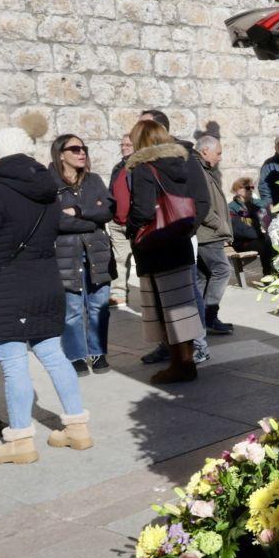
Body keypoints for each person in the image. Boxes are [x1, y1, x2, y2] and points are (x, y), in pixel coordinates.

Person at [0, 127, 93, 464]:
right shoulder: (48, 190)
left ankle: (20, 441)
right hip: (47, 281)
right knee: (53, 354)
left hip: (8, 287)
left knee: (12, 363)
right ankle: (77, 428)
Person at [115, 119, 206, 383]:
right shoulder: (183, 163)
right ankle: (187, 360)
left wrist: (132, 227)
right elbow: (199, 201)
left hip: (156, 245)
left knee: (167, 310)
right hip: (179, 242)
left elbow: (143, 211)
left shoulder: (144, 168)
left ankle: (180, 365)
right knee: (182, 307)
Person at [135, 109, 211, 366]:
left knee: (185, 298)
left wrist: (183, 230)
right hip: (173, 236)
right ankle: (172, 349)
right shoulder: (148, 163)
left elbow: (202, 199)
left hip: (175, 236)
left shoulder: (182, 159)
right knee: (169, 301)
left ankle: (195, 348)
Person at [50, 133, 114, 374]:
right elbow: (54, 219)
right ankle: (76, 354)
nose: (81, 152)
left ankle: (98, 352)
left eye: (84, 148)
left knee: (100, 305)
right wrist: (90, 217)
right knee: (72, 309)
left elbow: (107, 210)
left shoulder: (93, 180)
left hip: (97, 251)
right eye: (75, 149)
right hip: (66, 253)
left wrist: (76, 211)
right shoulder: (49, 182)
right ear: (60, 154)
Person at [193, 134, 233, 336]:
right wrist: (220, 225)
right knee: (222, 270)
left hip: (208, 233)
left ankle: (201, 319)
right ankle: (209, 315)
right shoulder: (198, 169)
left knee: (203, 275)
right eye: (218, 153)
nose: (220, 157)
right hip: (208, 234)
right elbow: (202, 204)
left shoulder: (204, 169)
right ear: (204, 151)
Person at [229, 176, 276, 279]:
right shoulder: (232, 208)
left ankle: (276, 272)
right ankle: (268, 274)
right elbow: (239, 230)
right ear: (237, 191)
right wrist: (261, 233)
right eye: (247, 188)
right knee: (264, 245)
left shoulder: (258, 204)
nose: (250, 190)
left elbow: (268, 220)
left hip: (260, 237)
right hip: (243, 242)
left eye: (252, 187)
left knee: (273, 242)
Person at [108, 133, 133, 305]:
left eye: (128, 145)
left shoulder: (141, 166)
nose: (123, 148)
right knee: (119, 259)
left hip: (135, 221)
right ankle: (119, 294)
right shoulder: (118, 167)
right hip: (116, 221)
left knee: (142, 258)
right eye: (122, 145)